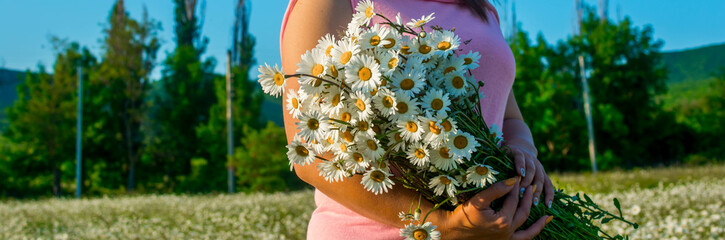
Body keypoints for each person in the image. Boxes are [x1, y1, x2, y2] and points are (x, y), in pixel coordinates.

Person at [280, 0, 555, 239]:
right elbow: (310, 151)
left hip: (491, 230)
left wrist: (523, 151)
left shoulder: (483, 9)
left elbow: (507, 116)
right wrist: (443, 225)